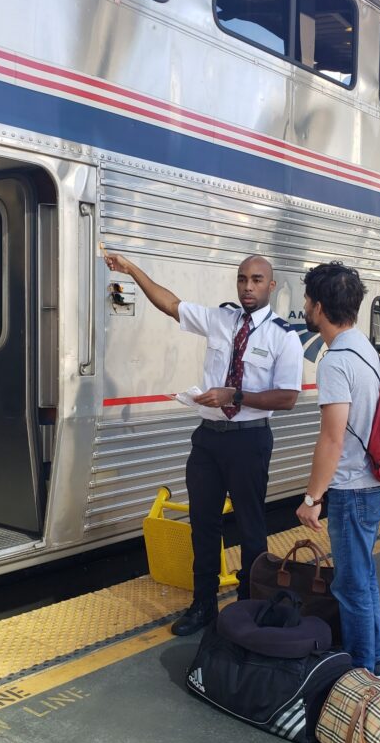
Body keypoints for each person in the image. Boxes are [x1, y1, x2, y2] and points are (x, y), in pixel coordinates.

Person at [104, 250, 304, 636]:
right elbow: (170, 304)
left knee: (250, 526)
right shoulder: (220, 319)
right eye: (243, 279)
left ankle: (249, 606)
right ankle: (203, 606)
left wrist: (235, 396)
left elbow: (288, 397)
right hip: (209, 441)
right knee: (203, 524)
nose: (248, 286)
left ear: (272, 286)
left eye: (257, 280)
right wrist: (130, 269)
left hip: (250, 440)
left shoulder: (284, 337)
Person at [296, 262, 380, 679]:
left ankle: (361, 676)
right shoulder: (366, 348)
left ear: (318, 306)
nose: (304, 306)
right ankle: (379, 662)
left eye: (306, 300)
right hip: (375, 482)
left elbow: (332, 439)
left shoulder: (335, 361)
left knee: (350, 587)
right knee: (364, 577)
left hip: (353, 488)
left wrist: (311, 499)